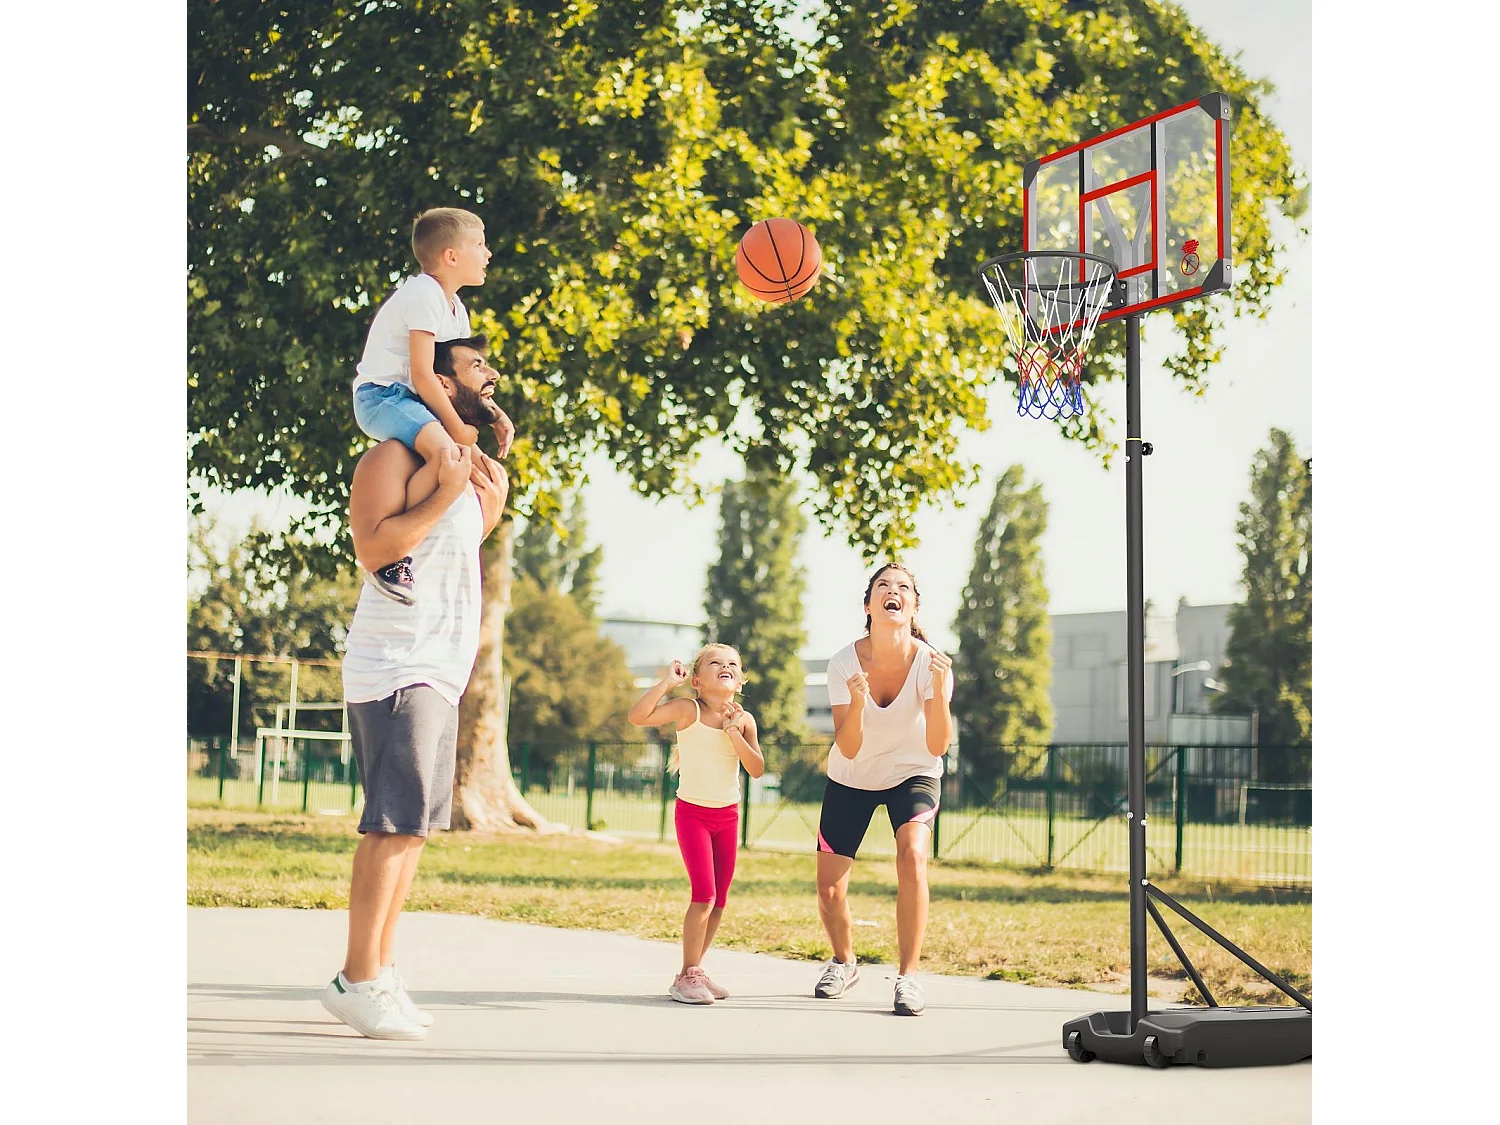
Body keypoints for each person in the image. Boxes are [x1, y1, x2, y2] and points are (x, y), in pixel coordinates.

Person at [320, 335, 510, 1041]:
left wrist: (484, 499)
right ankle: (355, 976)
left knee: (416, 832)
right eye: (477, 365)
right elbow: (376, 549)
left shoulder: (457, 467)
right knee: (391, 825)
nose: (491, 376)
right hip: (397, 662)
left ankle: (382, 970)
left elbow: (451, 552)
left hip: (442, 666)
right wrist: (451, 492)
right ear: (435, 381)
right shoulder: (390, 456)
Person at [351, 207, 515, 605]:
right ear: (450, 256)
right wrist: (459, 433)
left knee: (466, 460)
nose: (488, 253)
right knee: (447, 454)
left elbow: (458, 381)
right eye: (479, 244)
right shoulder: (424, 295)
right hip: (383, 395)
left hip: (414, 399)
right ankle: (389, 558)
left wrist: (495, 415)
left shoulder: (457, 310)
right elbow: (425, 376)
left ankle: (431, 541)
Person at [811, 563, 954, 1016]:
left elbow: (937, 744)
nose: (893, 592)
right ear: (869, 604)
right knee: (829, 889)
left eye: (903, 588)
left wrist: (936, 689)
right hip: (853, 774)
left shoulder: (932, 664)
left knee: (913, 854)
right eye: (883, 587)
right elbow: (849, 748)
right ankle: (844, 962)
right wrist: (857, 700)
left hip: (914, 769)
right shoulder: (843, 663)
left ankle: (909, 978)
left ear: (913, 606)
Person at [628, 644, 764, 1005]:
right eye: (715, 663)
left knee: (719, 901)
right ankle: (687, 975)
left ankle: (694, 971)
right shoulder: (689, 709)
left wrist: (735, 732)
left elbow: (757, 768)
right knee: (703, 895)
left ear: (739, 679)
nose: (725, 667)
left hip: (728, 816)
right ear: (698, 680)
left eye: (732, 663)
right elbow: (638, 717)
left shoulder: (744, 719)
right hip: (693, 814)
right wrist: (666, 684)